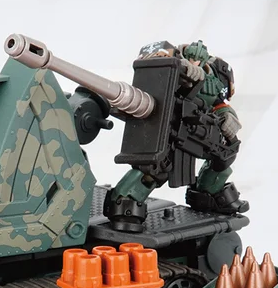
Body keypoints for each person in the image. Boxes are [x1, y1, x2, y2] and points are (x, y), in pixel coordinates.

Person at [103, 40, 249, 232]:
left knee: (224, 155)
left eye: (199, 60)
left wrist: (228, 117)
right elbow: (148, 60)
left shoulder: (216, 75)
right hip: (169, 122)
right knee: (155, 168)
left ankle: (209, 194)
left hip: (201, 131)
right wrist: (179, 66)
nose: (195, 62)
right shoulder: (171, 56)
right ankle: (125, 203)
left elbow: (220, 104)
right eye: (191, 57)